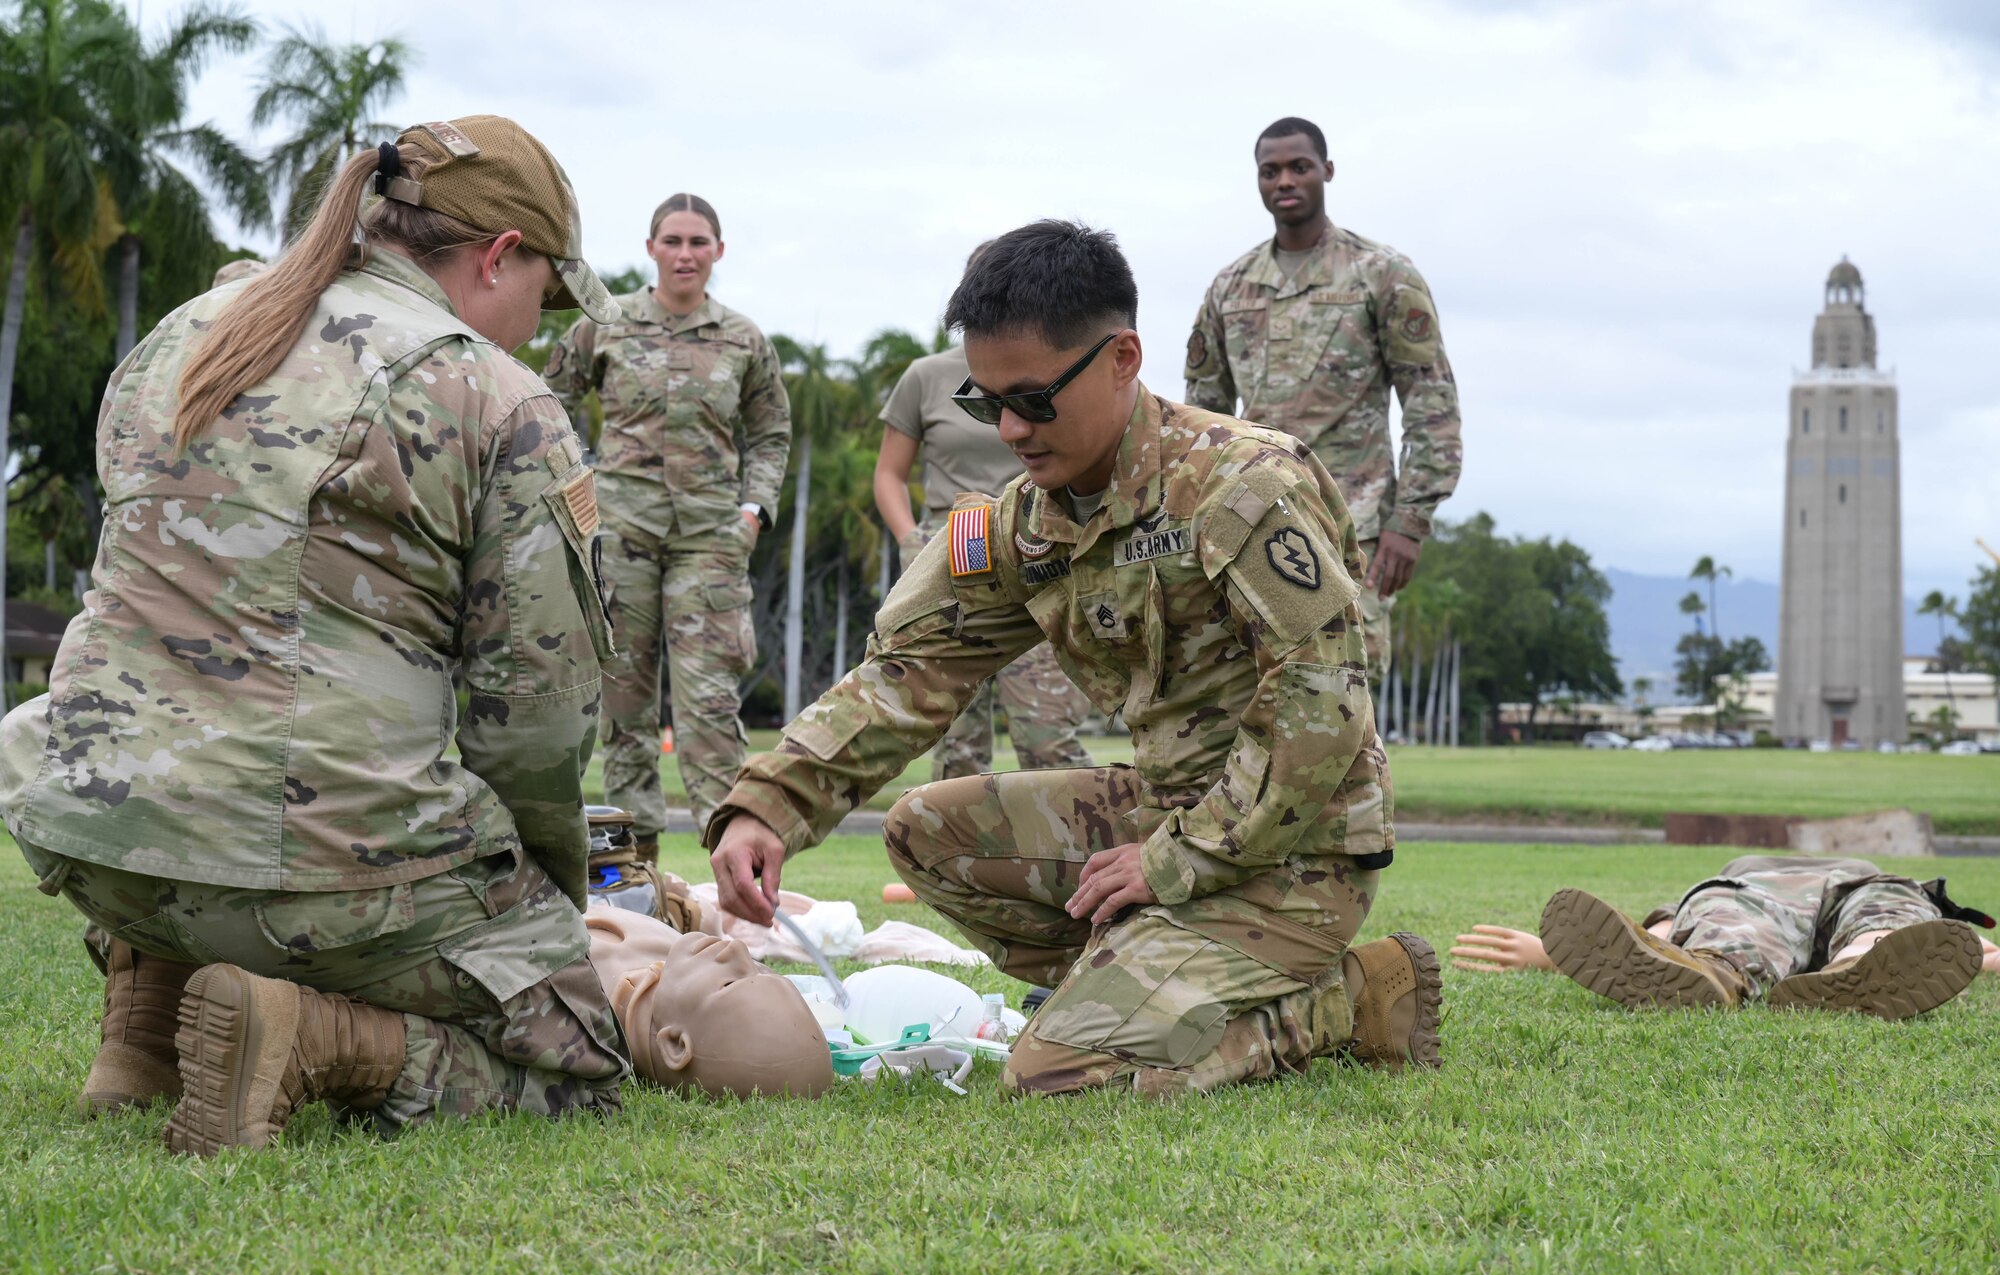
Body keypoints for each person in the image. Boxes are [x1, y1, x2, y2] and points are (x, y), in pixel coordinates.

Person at [0, 116, 631, 1154]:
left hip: (87, 822)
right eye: (542, 296)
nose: (538, 328)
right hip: (311, 870)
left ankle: (145, 1030)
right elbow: (535, 719)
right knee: (576, 1057)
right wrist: (541, 911)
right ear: (500, 254)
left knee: (188, 752)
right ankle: (312, 1037)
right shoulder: (494, 394)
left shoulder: (188, 330)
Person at [707, 220, 1440, 1099]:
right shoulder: (1024, 522)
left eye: (1034, 399)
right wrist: (769, 803)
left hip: (1293, 855)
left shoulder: (1243, 489)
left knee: (1060, 1073)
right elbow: (911, 670)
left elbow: (1320, 713)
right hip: (1165, 816)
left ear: (1122, 358)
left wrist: (1176, 861)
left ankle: (1342, 1000)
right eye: (987, 403)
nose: (1011, 428)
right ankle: (1137, 977)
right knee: (927, 832)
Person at [544, 193, 791, 853]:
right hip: (622, 533)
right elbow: (550, 400)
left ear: (718, 251)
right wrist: (580, 483)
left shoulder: (743, 339)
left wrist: (751, 511)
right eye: (674, 241)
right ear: (651, 248)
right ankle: (634, 877)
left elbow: (772, 433)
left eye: (698, 242)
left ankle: (732, 870)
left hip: (710, 540)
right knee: (625, 711)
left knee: (710, 709)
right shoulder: (608, 322)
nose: (686, 254)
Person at [1184, 115, 1462, 683]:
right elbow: (1203, 415)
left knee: (1345, 688)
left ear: (1326, 172)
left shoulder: (1381, 275)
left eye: (1299, 167)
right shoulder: (1230, 287)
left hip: (1351, 523)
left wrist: (1409, 523)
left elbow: (1431, 405)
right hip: (1250, 518)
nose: (1284, 180)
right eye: (1270, 171)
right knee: (1251, 687)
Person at [874, 279, 1091, 781]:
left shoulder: (1054, 370)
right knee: (956, 748)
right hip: (951, 554)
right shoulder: (925, 376)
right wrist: (911, 539)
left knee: (1048, 738)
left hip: (1037, 551)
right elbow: (889, 473)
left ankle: (1088, 855)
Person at [1450, 856, 1996, 1018]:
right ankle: (1859, 962)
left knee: (1727, 926)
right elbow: (1651, 938)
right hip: (1776, 887)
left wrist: (1546, 954)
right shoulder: (1877, 879)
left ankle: (1714, 968)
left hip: (1753, 888)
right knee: (1884, 920)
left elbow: (1657, 934)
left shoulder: (1734, 883)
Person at [584, 905, 833, 1098]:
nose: (738, 949)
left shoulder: (578, 1000)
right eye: (762, 970)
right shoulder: (677, 962)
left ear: (675, 1044)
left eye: (729, 984)